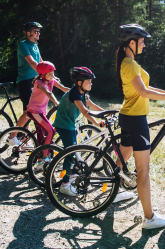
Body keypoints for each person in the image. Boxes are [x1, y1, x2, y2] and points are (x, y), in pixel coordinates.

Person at [115, 24, 165, 230]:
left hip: (129, 117)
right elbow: (144, 92)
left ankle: (112, 191)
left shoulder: (130, 63)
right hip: (136, 120)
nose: (144, 45)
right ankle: (149, 218)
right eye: (142, 41)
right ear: (131, 43)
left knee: (120, 160)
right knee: (143, 170)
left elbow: (145, 88)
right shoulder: (129, 65)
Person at [52, 67, 135, 203]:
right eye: (88, 81)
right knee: (70, 153)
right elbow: (85, 111)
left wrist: (108, 112)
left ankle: (72, 174)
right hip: (64, 125)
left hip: (70, 123)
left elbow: (92, 105)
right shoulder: (74, 94)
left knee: (74, 150)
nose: (91, 84)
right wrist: (97, 123)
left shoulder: (83, 94)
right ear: (79, 83)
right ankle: (65, 185)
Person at [13, 21, 68, 140]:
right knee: (29, 111)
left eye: (39, 31)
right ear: (28, 33)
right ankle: (14, 137)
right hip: (26, 81)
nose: (38, 33)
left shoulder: (35, 45)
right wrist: (44, 75)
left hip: (36, 80)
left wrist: (50, 75)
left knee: (29, 112)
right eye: (36, 31)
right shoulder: (23, 45)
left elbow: (42, 64)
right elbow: (32, 62)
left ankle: (22, 139)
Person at [10, 61, 65, 152]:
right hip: (34, 111)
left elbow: (64, 88)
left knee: (42, 133)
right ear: (42, 75)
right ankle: (43, 156)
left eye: (53, 73)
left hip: (41, 112)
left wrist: (76, 93)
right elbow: (48, 93)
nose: (52, 76)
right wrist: (56, 103)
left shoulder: (51, 81)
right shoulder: (39, 83)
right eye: (50, 74)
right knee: (50, 131)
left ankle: (40, 153)